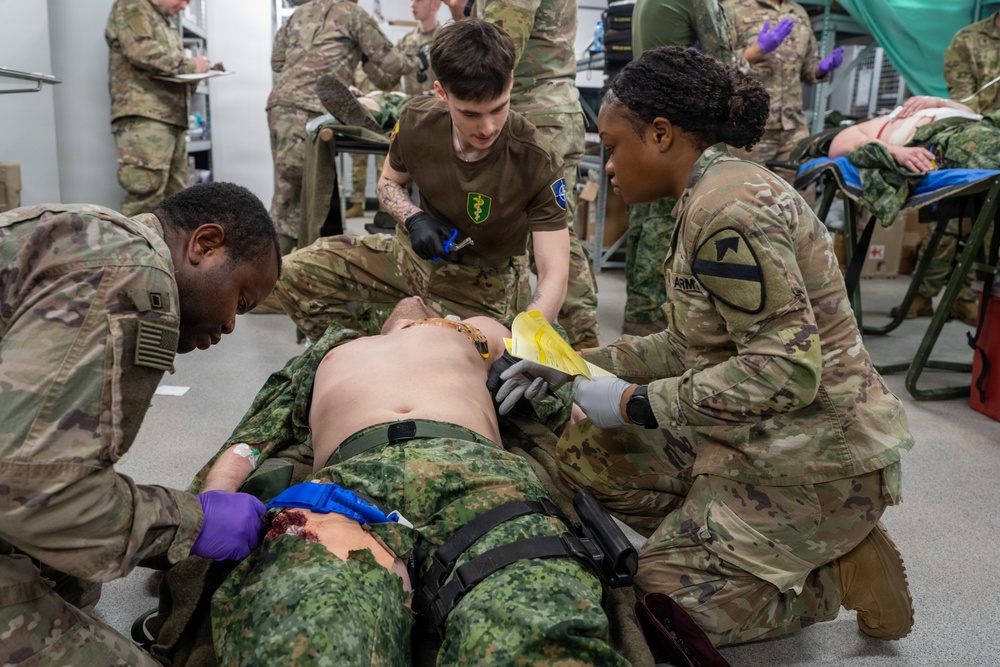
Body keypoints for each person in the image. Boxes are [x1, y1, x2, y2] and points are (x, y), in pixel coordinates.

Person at [500, 46, 915, 648]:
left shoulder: (728, 209)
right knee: (587, 448)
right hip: (763, 435)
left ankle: (827, 574)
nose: (608, 167)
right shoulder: (710, 193)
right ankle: (728, 543)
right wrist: (572, 367)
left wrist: (639, 403)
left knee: (657, 614)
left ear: (662, 135)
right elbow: (688, 343)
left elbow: (785, 372)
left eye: (614, 147)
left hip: (817, 459)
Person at [196, 297, 630, 666]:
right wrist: (215, 500)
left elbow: (565, 384)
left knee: (539, 632)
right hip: (344, 491)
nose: (416, 298)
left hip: (480, 479)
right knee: (307, 631)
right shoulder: (331, 349)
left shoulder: (472, 331)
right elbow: (250, 441)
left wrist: (595, 395)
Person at [0, 182, 281, 665]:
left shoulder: (97, 239)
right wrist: (189, 522)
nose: (233, 324)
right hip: (20, 492)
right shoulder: (134, 277)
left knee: (75, 579)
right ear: (205, 245)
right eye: (243, 300)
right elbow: (33, 494)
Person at [275, 20, 570, 342]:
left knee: (467, 362)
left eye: (498, 109)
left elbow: (554, 271)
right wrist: (413, 218)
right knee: (288, 273)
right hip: (409, 258)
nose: (487, 127)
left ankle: (398, 339)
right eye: (470, 114)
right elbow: (389, 182)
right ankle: (357, 352)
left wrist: (527, 341)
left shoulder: (537, 160)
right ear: (442, 93)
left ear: (510, 82)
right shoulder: (417, 121)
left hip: (483, 281)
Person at [443, 0, 601, 349]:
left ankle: (580, 348)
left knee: (542, 240)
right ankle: (577, 343)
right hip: (543, 113)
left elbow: (496, 49)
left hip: (531, 117)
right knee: (552, 237)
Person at [267, 0, 430, 255]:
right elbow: (390, 60)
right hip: (309, 107)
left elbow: (277, 61)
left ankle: (287, 266)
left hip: (280, 105)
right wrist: (419, 61)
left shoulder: (299, 13)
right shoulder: (353, 13)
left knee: (291, 191)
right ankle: (274, 276)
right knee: (291, 201)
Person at [826, 94, 990, 326]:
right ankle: (927, 296)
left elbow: (974, 115)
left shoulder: (945, 108)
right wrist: (893, 150)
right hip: (946, 144)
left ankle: (963, 299)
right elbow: (838, 146)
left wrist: (937, 102)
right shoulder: (881, 124)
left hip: (972, 128)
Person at [623, 0, 735, 336]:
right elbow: (726, 62)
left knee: (645, 227)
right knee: (666, 230)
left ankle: (638, 325)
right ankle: (655, 335)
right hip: (676, 133)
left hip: (645, 125)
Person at [105, 0, 211, 217]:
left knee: (178, 199)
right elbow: (142, 51)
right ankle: (140, 251)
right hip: (145, 119)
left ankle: (169, 251)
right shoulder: (132, 6)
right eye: (183, 0)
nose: (183, 7)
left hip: (172, 117)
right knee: (145, 195)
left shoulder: (164, 21)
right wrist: (192, 66)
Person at [723, 0, 844, 175]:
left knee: (799, 194)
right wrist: (758, 50)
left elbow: (808, 67)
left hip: (793, 127)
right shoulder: (733, 9)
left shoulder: (799, 12)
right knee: (748, 193)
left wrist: (821, 68)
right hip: (748, 126)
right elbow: (718, 65)